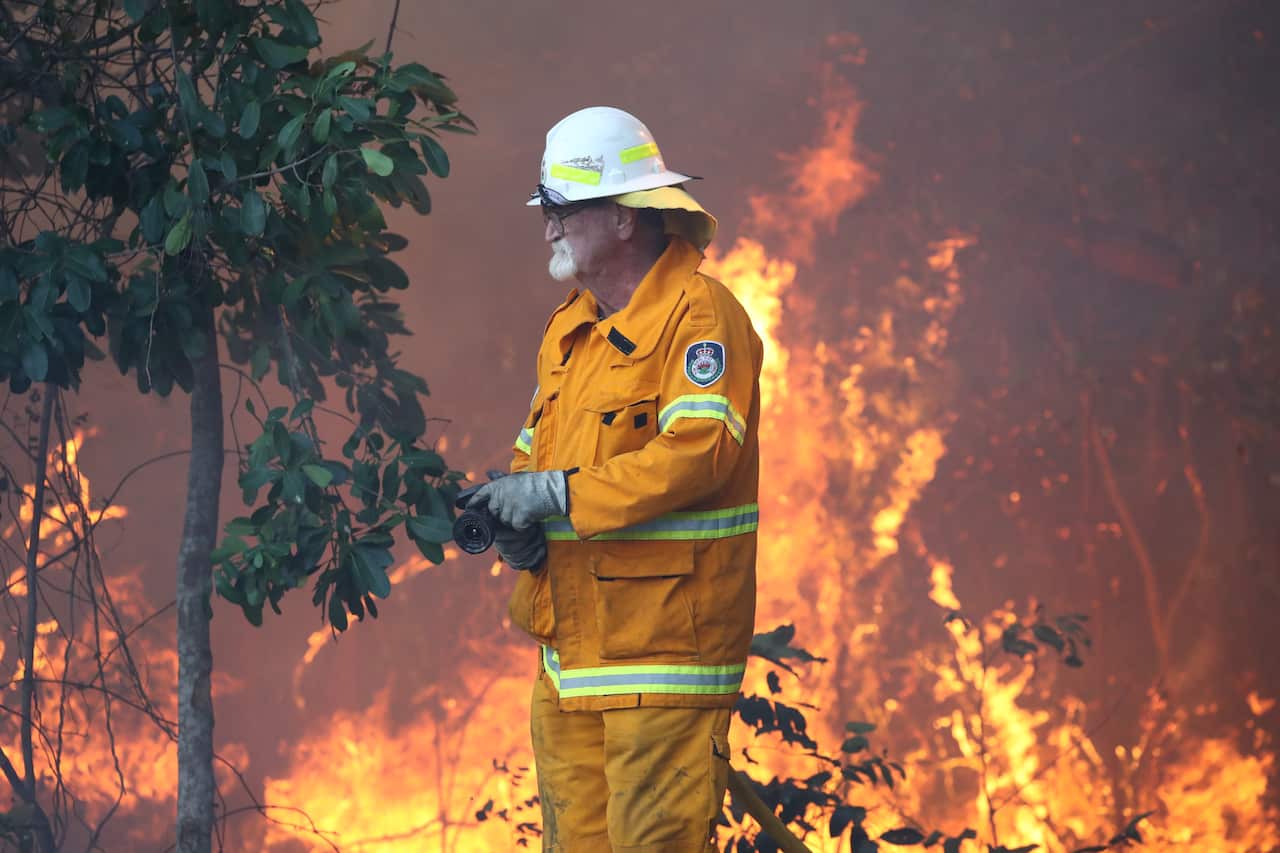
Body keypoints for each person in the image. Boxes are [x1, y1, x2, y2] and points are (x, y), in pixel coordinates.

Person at [467, 106, 763, 852]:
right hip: (572, 663)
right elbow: (540, 455)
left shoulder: (701, 320)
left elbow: (699, 452)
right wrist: (521, 526)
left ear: (626, 218)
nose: (548, 230)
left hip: (662, 661)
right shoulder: (572, 332)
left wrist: (559, 495)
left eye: (562, 211)